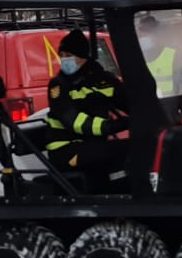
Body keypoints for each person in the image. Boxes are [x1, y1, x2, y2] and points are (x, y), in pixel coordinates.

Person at [45, 28, 128, 184]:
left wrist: (146, 112)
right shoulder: (59, 85)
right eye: (62, 56)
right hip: (65, 149)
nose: (64, 60)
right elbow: (73, 121)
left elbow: (128, 101)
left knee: (141, 146)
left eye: (69, 56)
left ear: (83, 57)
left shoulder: (103, 80)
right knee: (123, 150)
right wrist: (112, 126)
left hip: (90, 144)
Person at [139, 15, 179, 97]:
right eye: (141, 36)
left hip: (169, 102)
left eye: (145, 35)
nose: (142, 38)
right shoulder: (135, 56)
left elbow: (181, 81)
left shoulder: (172, 54)